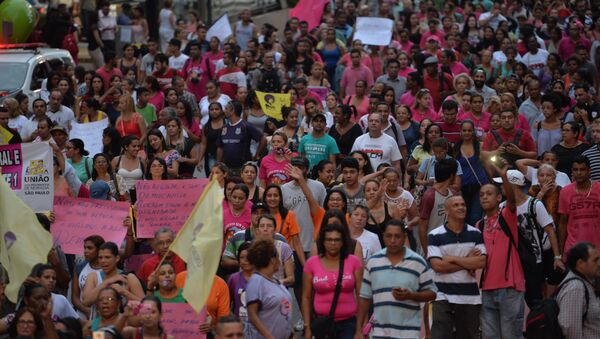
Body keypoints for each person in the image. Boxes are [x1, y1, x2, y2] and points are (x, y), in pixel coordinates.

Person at [494, 169, 565, 307]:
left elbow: (550, 231)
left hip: (534, 260)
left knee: (533, 298)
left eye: (503, 184)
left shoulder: (534, 204)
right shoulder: (502, 207)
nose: (501, 187)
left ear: (512, 185)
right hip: (513, 260)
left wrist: (557, 258)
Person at [355, 219, 436, 338]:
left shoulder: (417, 262)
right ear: (383, 237)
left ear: (404, 237)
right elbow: (364, 297)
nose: (393, 240)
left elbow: (432, 293)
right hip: (380, 333)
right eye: (389, 236)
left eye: (397, 236)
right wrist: (358, 330)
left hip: (409, 333)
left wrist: (411, 296)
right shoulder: (373, 262)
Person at [427, 195, 487, 339]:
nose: (461, 207)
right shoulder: (434, 235)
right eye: (456, 205)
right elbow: (437, 266)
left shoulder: (476, 233)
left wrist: (452, 259)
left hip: (469, 298)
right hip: (442, 295)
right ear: (446, 211)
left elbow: (481, 262)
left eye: (463, 204)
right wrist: (467, 260)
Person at [479, 161, 525, 339]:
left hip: (510, 288)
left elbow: (512, 201)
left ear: (499, 198)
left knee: (510, 336)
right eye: (481, 194)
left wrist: (504, 176)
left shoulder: (507, 215)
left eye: (489, 194)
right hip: (486, 289)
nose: (484, 197)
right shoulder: (479, 224)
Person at [302, 223, 363, 339]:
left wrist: (360, 328)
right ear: (323, 242)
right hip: (322, 324)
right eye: (329, 240)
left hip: (348, 324)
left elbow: (362, 296)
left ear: (343, 242)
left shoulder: (354, 261)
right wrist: (307, 327)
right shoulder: (311, 263)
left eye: (337, 240)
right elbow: (306, 297)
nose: (333, 243)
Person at [244, 239, 293, 338]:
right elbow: (252, 315)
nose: (280, 261)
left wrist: (291, 334)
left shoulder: (275, 280)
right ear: (273, 260)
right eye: (278, 257)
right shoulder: (256, 282)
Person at [82, 242, 145, 316]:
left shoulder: (129, 278)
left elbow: (145, 305)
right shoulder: (93, 276)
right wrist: (107, 282)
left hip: (123, 325)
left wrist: (124, 292)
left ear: (117, 258)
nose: (103, 261)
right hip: (98, 324)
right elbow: (86, 302)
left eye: (107, 257)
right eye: (100, 257)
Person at [558, 155, 600, 258]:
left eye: (582, 169)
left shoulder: (599, 188)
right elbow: (563, 223)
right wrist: (560, 253)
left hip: (597, 249)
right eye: (575, 169)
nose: (579, 173)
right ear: (571, 171)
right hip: (573, 249)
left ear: (589, 171)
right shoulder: (565, 191)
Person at [556, 242, 600, 338]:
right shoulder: (575, 288)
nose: (599, 263)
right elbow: (570, 331)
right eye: (595, 260)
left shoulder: (587, 282)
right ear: (580, 263)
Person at [217, 101, 266, 173]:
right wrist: (218, 163)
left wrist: (257, 155)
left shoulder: (246, 126)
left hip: (243, 168)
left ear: (232, 111)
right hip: (226, 168)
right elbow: (220, 147)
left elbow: (263, 139)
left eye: (226, 108)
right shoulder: (224, 128)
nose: (224, 111)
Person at [72, 235, 105, 319]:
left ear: (99, 250)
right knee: (86, 332)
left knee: (97, 332)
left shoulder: (108, 269)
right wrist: (87, 311)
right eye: (85, 248)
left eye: (90, 248)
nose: (85, 251)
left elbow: (127, 253)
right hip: (82, 316)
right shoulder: (79, 267)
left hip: (101, 317)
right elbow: (75, 297)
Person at [227, 242, 253, 323]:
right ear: (238, 260)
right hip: (239, 327)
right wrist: (235, 321)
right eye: (242, 257)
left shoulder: (263, 278)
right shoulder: (234, 279)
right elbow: (226, 305)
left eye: (250, 256)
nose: (246, 260)